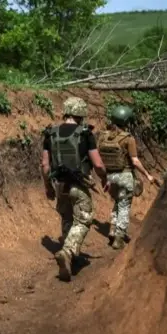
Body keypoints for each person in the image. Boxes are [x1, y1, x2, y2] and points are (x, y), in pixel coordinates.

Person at [41, 96, 109, 282]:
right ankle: (68, 251)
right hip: (79, 185)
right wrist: (104, 178)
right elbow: (98, 164)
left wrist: (48, 187)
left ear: (66, 111)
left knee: (66, 217)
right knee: (84, 220)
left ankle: (68, 253)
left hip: (60, 184)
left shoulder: (50, 133)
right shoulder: (85, 133)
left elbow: (45, 166)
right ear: (81, 113)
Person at [97, 105, 157, 250]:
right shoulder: (128, 139)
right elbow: (135, 161)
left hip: (110, 177)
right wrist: (147, 175)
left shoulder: (103, 136)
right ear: (127, 121)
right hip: (124, 176)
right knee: (124, 206)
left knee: (117, 202)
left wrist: (103, 177)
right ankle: (119, 237)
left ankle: (112, 228)